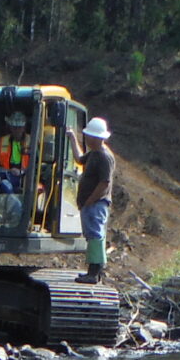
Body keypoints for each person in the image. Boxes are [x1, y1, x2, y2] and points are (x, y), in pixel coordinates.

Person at [76, 116, 115, 285]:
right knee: (93, 235)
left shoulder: (104, 157)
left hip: (96, 204)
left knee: (95, 236)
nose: (87, 139)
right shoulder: (93, 153)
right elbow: (79, 159)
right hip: (91, 204)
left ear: (98, 138)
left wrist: (91, 200)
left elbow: (104, 182)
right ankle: (94, 272)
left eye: (89, 136)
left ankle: (94, 272)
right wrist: (71, 137)